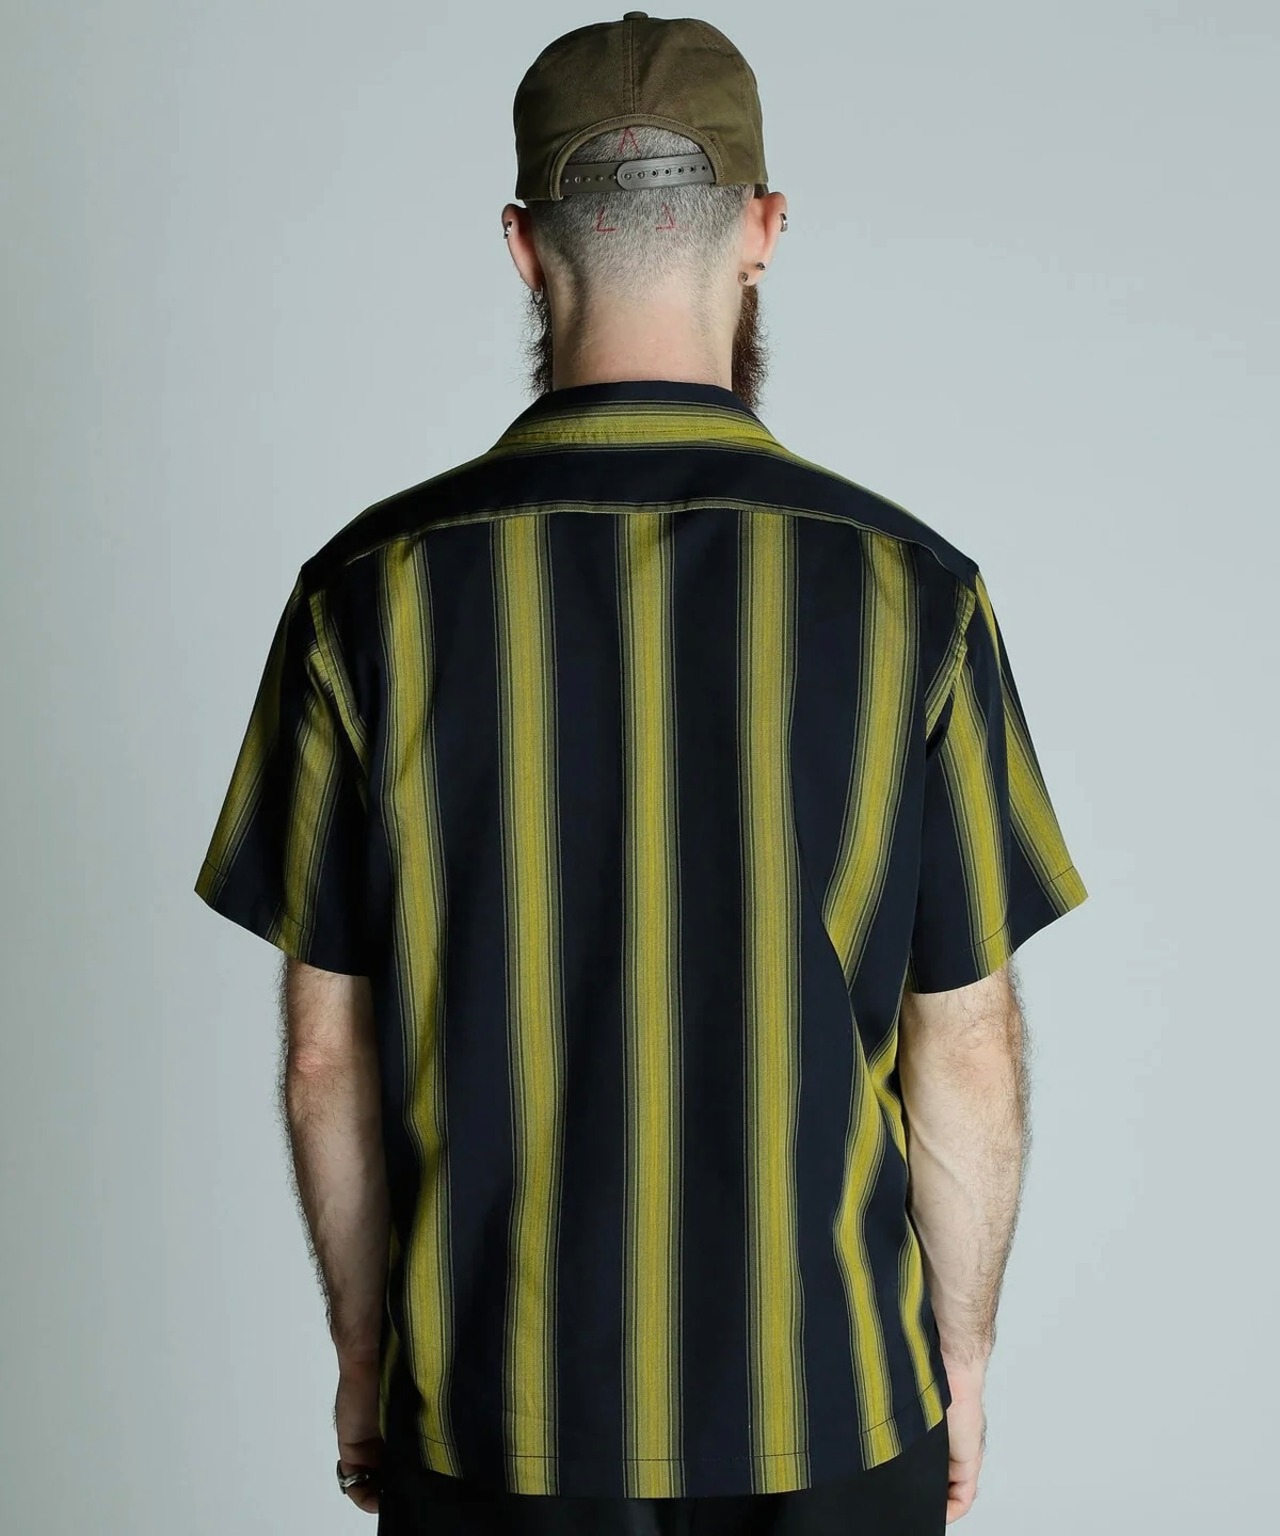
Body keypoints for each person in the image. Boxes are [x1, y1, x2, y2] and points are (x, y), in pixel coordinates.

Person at [193, 13, 1089, 1535]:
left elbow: (325, 1060)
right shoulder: (913, 591)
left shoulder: (365, 593)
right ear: (764, 229)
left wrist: (362, 1360)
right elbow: (969, 1047)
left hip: (487, 1423)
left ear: (523, 249)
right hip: (834, 1414)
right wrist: (960, 1363)